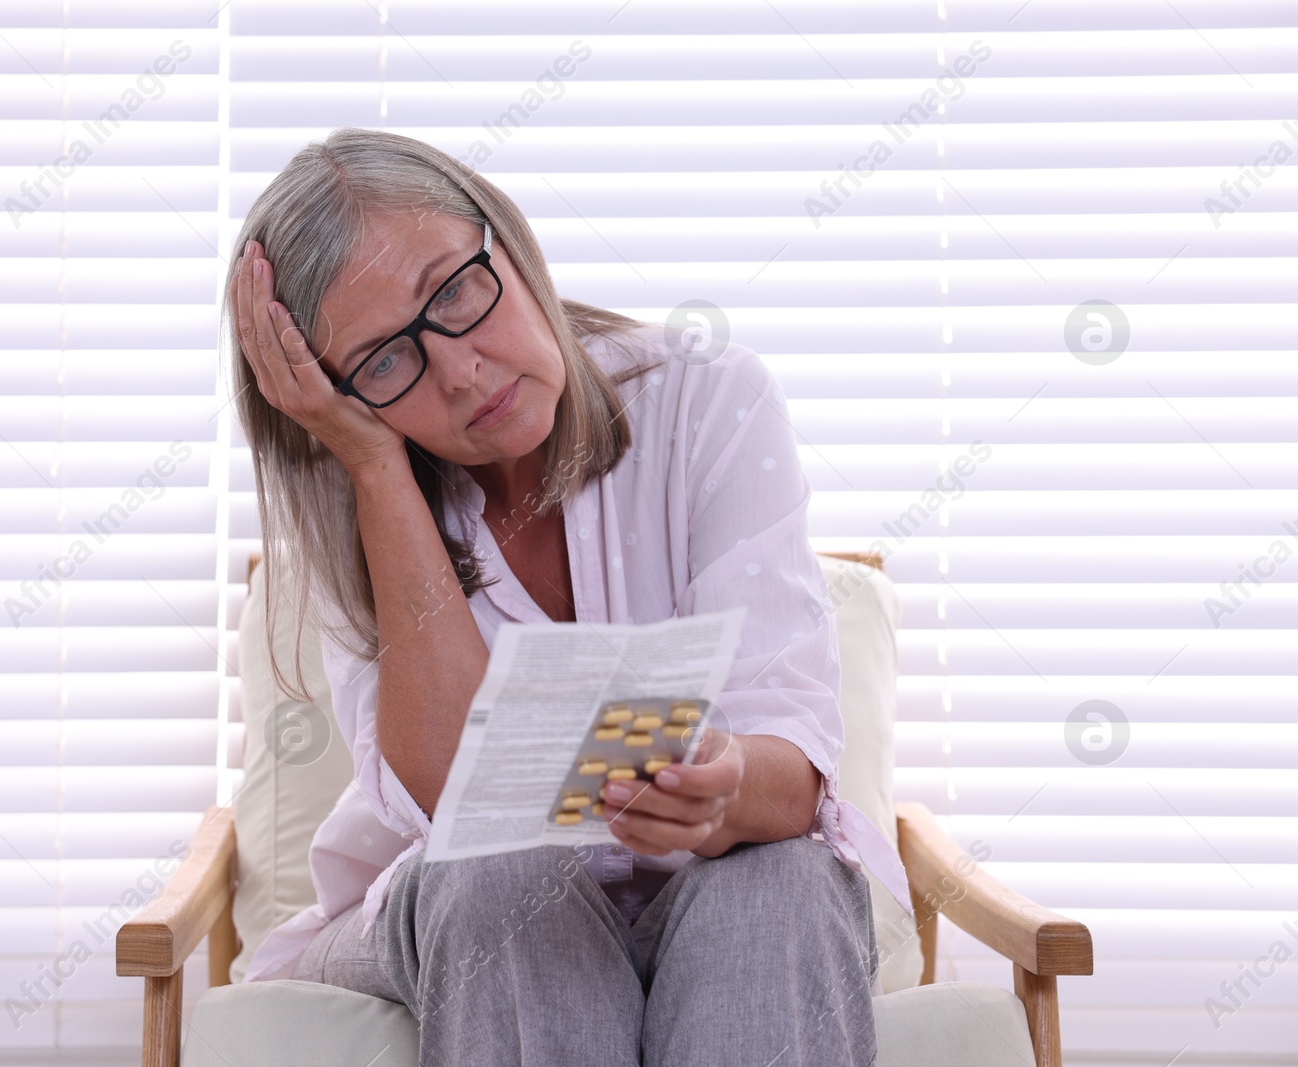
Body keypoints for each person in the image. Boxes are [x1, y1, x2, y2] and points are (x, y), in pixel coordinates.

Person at [224, 127, 911, 1066]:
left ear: (505, 239)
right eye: (385, 363)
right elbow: (455, 796)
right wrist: (379, 469)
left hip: (709, 891)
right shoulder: (357, 497)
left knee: (781, 881)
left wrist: (728, 789)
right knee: (504, 875)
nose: (461, 371)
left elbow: (793, 774)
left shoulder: (710, 401)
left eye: (456, 290)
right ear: (335, 399)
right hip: (455, 908)